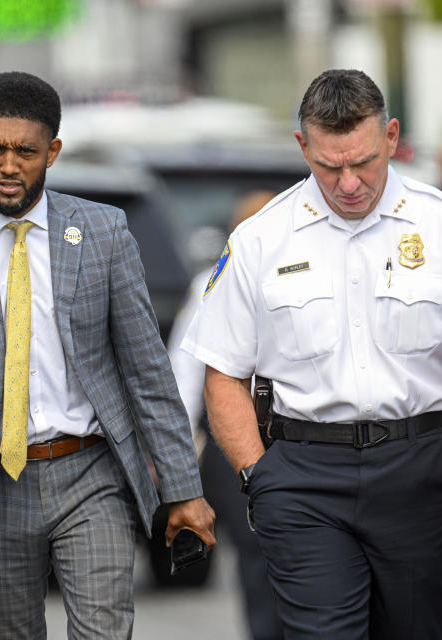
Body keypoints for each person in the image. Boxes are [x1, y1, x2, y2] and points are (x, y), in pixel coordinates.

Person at [181, 69, 442, 639]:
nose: (348, 183)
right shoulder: (260, 240)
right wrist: (257, 476)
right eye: (328, 166)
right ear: (302, 147)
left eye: (363, 162)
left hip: (417, 470)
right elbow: (221, 374)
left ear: (390, 137)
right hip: (302, 477)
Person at [0, 70, 215, 639]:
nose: (10, 165)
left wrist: (184, 491)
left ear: (53, 151)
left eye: (26, 150)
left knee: (102, 630)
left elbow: (149, 375)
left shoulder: (104, 233)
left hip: (90, 471)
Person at [167, 190, 283, 640]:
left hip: (300, 439)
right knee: (255, 551)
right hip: (232, 440)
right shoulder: (209, 284)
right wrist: (175, 452)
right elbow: (186, 369)